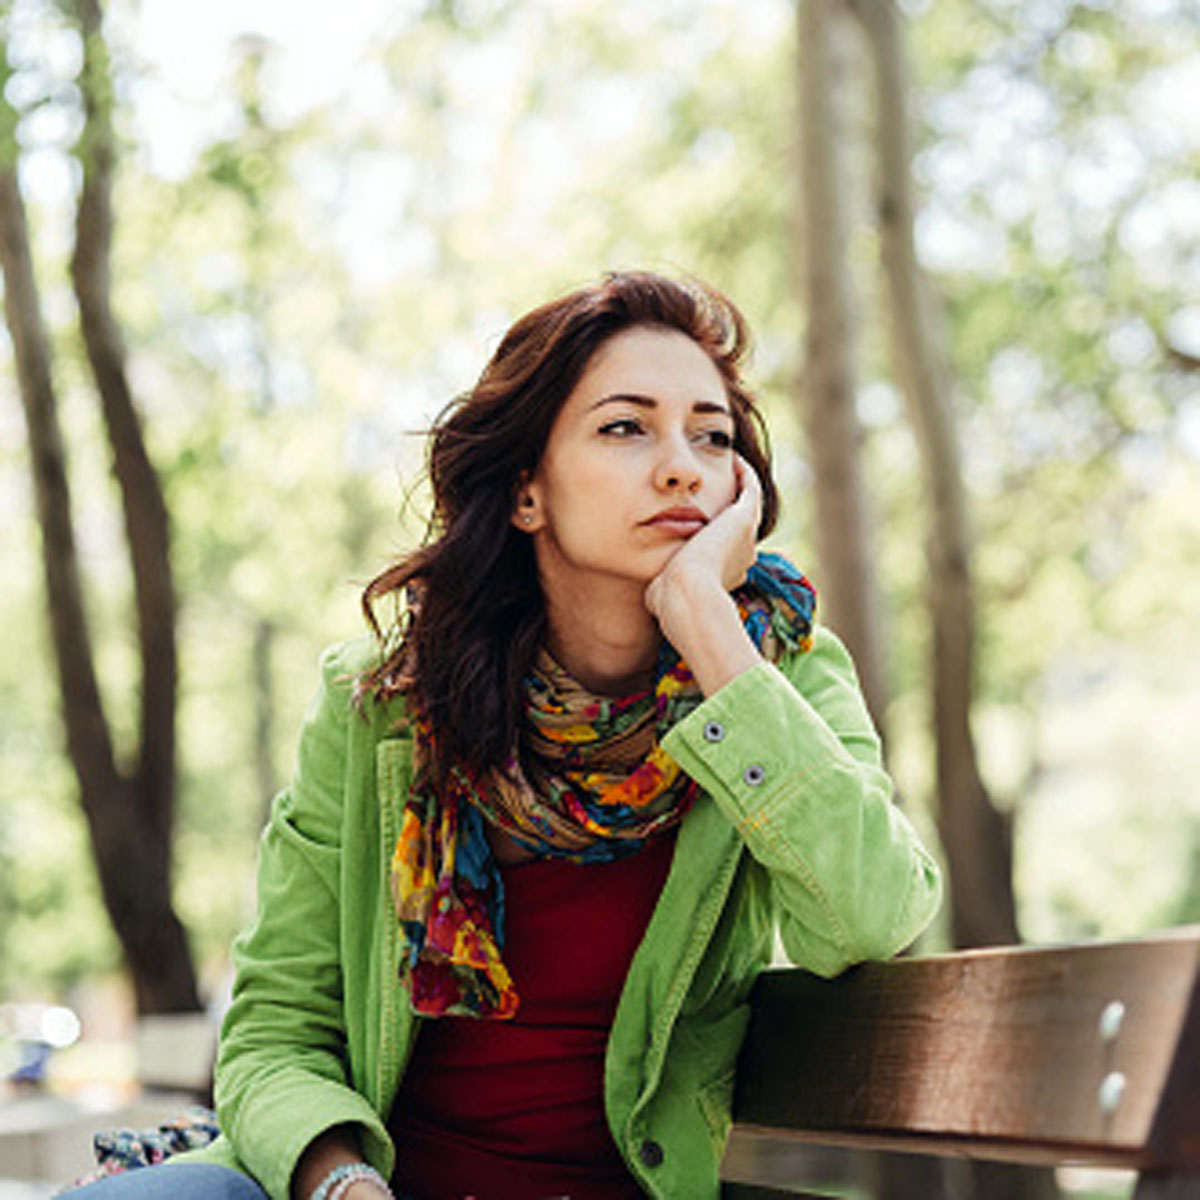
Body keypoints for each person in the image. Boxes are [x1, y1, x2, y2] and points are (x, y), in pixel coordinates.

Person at [70, 270, 941, 1200]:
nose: (683, 463)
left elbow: (873, 917)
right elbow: (277, 1031)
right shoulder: (387, 708)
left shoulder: (777, 679)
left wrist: (708, 624)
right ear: (527, 491)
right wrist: (344, 1188)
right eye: (625, 427)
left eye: (711, 435)